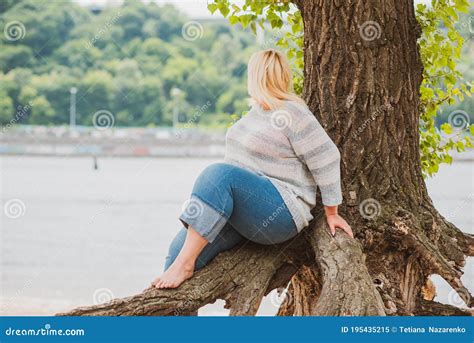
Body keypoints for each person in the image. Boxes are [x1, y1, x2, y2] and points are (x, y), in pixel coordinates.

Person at [152, 49, 352, 289]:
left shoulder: (292, 111)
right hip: (242, 214)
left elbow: (327, 156)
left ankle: (185, 265)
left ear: (254, 76)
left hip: (281, 212)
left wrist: (332, 211)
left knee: (218, 173)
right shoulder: (252, 115)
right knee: (176, 251)